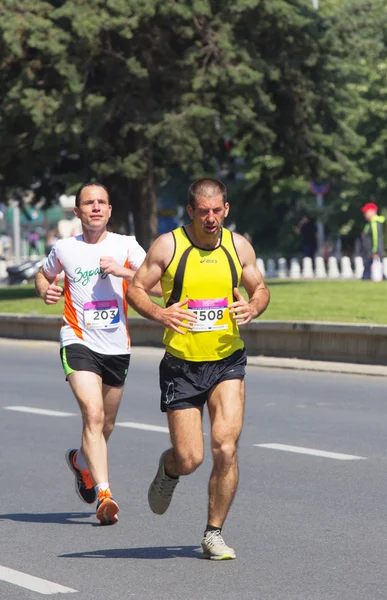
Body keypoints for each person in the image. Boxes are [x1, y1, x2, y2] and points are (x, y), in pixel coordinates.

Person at [125, 178, 270, 560]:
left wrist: (253, 307)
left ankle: (213, 533)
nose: (211, 218)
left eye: (217, 210)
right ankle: (168, 468)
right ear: (190, 211)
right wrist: (160, 312)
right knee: (191, 458)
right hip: (182, 365)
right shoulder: (169, 246)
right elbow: (136, 288)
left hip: (226, 359)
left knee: (226, 445)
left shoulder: (238, 247)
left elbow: (261, 289)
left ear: (226, 208)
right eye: (203, 211)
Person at [35, 182, 160, 525]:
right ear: (77, 212)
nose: (95, 208)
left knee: (106, 424)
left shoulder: (126, 246)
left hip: (117, 346)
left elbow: (162, 285)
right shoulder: (64, 248)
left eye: (101, 202)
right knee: (92, 414)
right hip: (77, 340)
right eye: (88, 203)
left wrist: (125, 272)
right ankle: (105, 496)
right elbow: (42, 276)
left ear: (109, 211)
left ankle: (80, 461)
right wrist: (46, 290)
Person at [360, 202, 386, 280]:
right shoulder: (370, 223)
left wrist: (375, 252)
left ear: (373, 211)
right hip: (369, 252)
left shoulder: (374, 223)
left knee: (371, 271)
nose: (365, 214)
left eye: (366, 212)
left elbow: (376, 238)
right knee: (372, 270)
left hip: (372, 252)